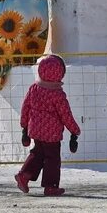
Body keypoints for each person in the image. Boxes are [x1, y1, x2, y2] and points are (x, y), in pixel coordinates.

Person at [14, 54, 80, 197]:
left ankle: (24, 175)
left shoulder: (34, 89)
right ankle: (51, 186)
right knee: (52, 159)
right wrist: (75, 130)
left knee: (37, 154)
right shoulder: (58, 95)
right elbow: (65, 115)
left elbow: (25, 107)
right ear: (60, 73)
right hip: (52, 134)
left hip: (36, 130)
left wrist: (24, 125)